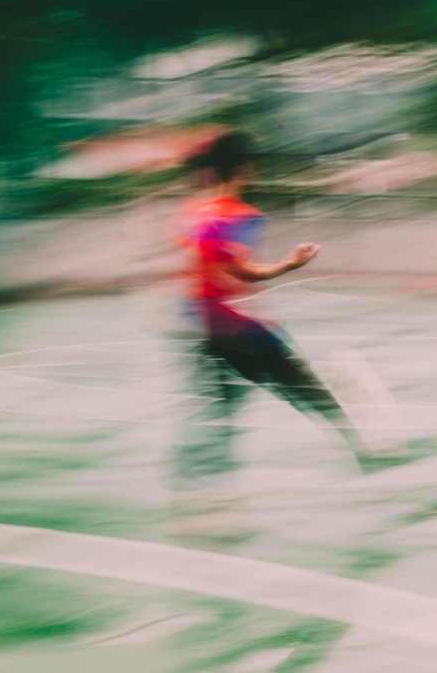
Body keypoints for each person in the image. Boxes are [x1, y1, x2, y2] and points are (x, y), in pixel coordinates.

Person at [166, 131, 402, 536]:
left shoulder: (196, 213)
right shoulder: (237, 215)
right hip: (240, 330)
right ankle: (368, 454)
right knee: (307, 389)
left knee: (218, 416)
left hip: (207, 328)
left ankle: (203, 501)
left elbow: (195, 269)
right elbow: (241, 271)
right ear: (245, 169)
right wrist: (290, 264)